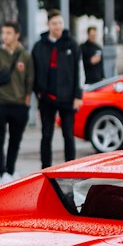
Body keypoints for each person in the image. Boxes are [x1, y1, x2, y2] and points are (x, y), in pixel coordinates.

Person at [32, 9, 81, 169]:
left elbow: (80, 71)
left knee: (68, 135)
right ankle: (45, 168)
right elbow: (33, 71)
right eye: (54, 23)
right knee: (46, 135)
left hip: (68, 98)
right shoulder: (39, 46)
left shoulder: (72, 44)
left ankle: (70, 167)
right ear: (48, 25)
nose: (57, 26)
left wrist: (78, 96)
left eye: (60, 23)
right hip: (46, 98)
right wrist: (37, 91)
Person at [0, 21, 32, 180]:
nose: (5, 36)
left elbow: (29, 80)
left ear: (17, 35)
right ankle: (2, 173)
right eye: (3, 33)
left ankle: (10, 170)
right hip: (0, 105)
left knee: (15, 141)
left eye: (8, 33)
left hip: (19, 107)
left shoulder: (25, 55)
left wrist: (26, 102)